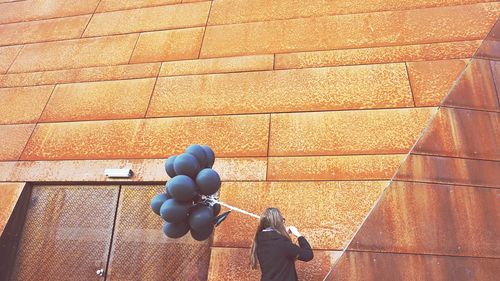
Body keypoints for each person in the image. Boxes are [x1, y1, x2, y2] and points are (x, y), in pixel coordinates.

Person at [250, 208, 313, 281]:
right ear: (279, 222)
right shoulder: (282, 243)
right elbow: (308, 255)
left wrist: (280, 233)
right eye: (282, 220)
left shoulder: (260, 240)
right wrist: (298, 235)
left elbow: (274, 243)